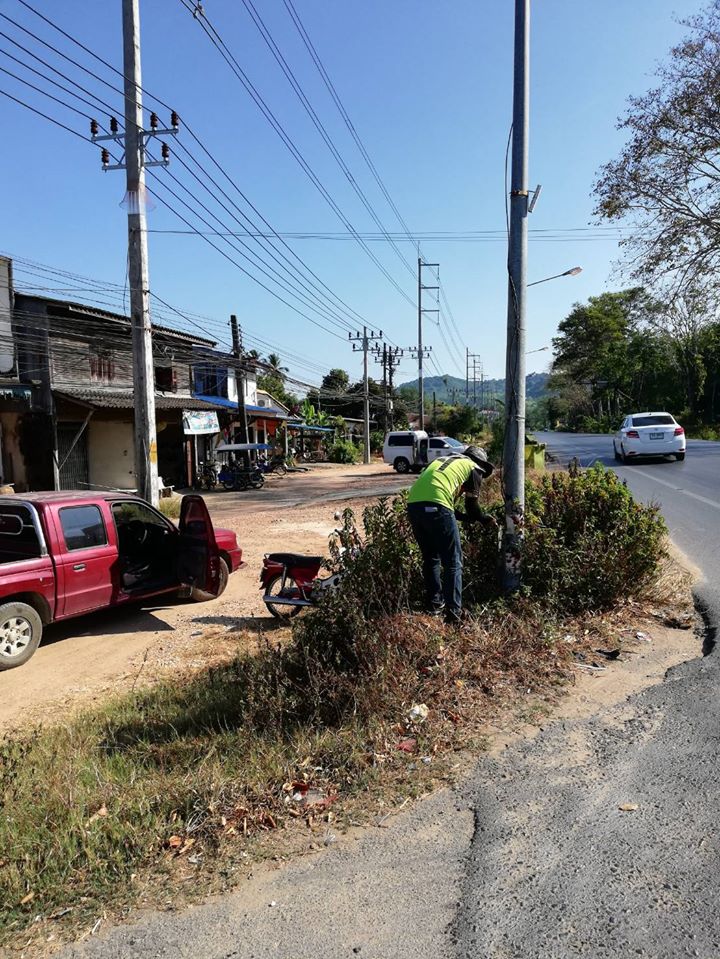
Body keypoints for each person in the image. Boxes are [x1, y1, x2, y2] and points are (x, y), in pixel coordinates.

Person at [406, 446, 496, 624]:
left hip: (414, 506)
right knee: (453, 562)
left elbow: (447, 509)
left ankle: (434, 605)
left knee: (431, 558)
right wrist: (484, 519)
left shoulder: (441, 462)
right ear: (480, 463)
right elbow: (472, 507)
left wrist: (468, 519)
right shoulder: (474, 468)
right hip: (438, 505)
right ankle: (454, 614)